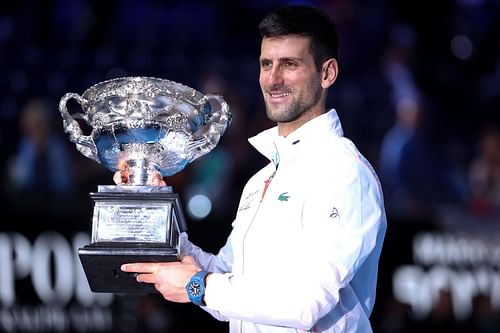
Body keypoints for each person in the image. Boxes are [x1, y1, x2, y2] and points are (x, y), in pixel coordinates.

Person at [119, 5, 387, 332]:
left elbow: (306, 304)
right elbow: (227, 284)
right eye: (266, 64)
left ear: (327, 73)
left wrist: (200, 286)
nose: (273, 79)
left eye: (290, 64)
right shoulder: (262, 179)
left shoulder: (344, 171)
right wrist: (159, 216)